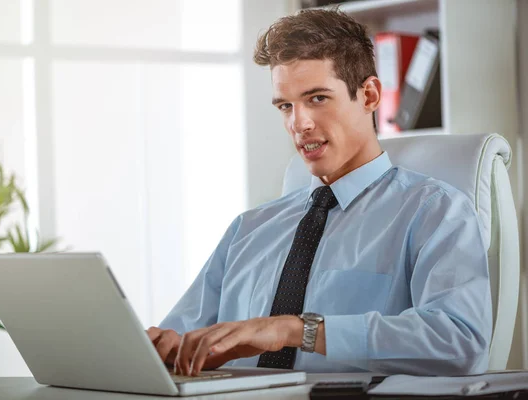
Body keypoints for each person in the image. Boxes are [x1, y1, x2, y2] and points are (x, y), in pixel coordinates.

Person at [147, 9, 491, 377]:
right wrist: (159, 349)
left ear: (370, 95)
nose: (299, 124)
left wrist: (295, 330)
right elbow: (181, 338)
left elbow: (459, 342)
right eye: (286, 106)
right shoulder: (247, 229)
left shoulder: (435, 212)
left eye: (317, 99)